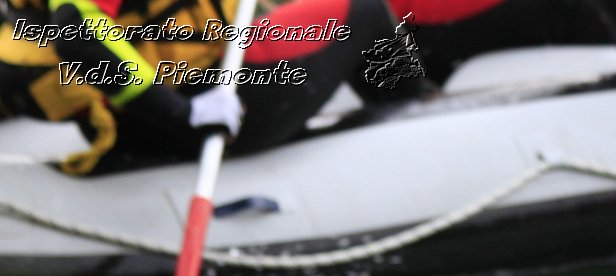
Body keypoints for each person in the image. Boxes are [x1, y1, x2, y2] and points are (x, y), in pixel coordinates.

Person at [0, 0, 402, 174]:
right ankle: (410, 111)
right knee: (362, 10)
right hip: (214, 110)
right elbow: (77, 37)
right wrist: (184, 113)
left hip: (124, 126)